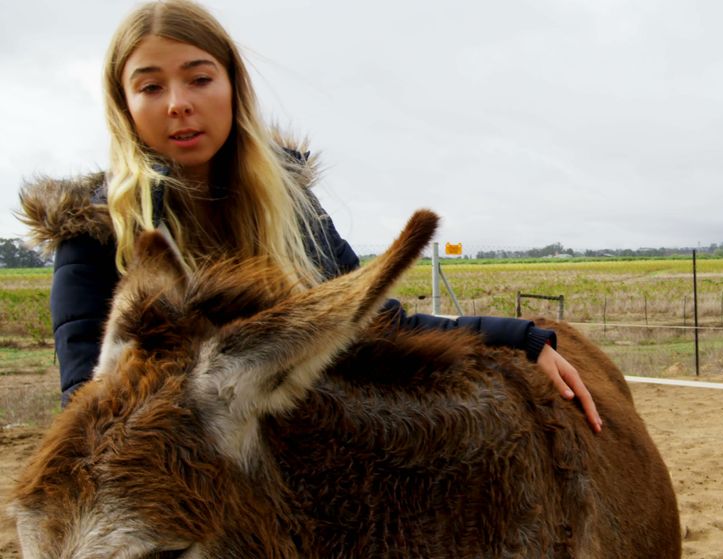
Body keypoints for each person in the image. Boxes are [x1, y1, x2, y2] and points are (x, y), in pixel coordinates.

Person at [18, 0, 601, 432]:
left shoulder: (290, 208)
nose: (179, 103)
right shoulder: (97, 237)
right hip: (192, 487)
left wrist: (519, 339)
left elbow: (375, 323)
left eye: (199, 78)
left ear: (232, 88)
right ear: (123, 105)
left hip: (308, 466)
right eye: (150, 86)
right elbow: (87, 411)